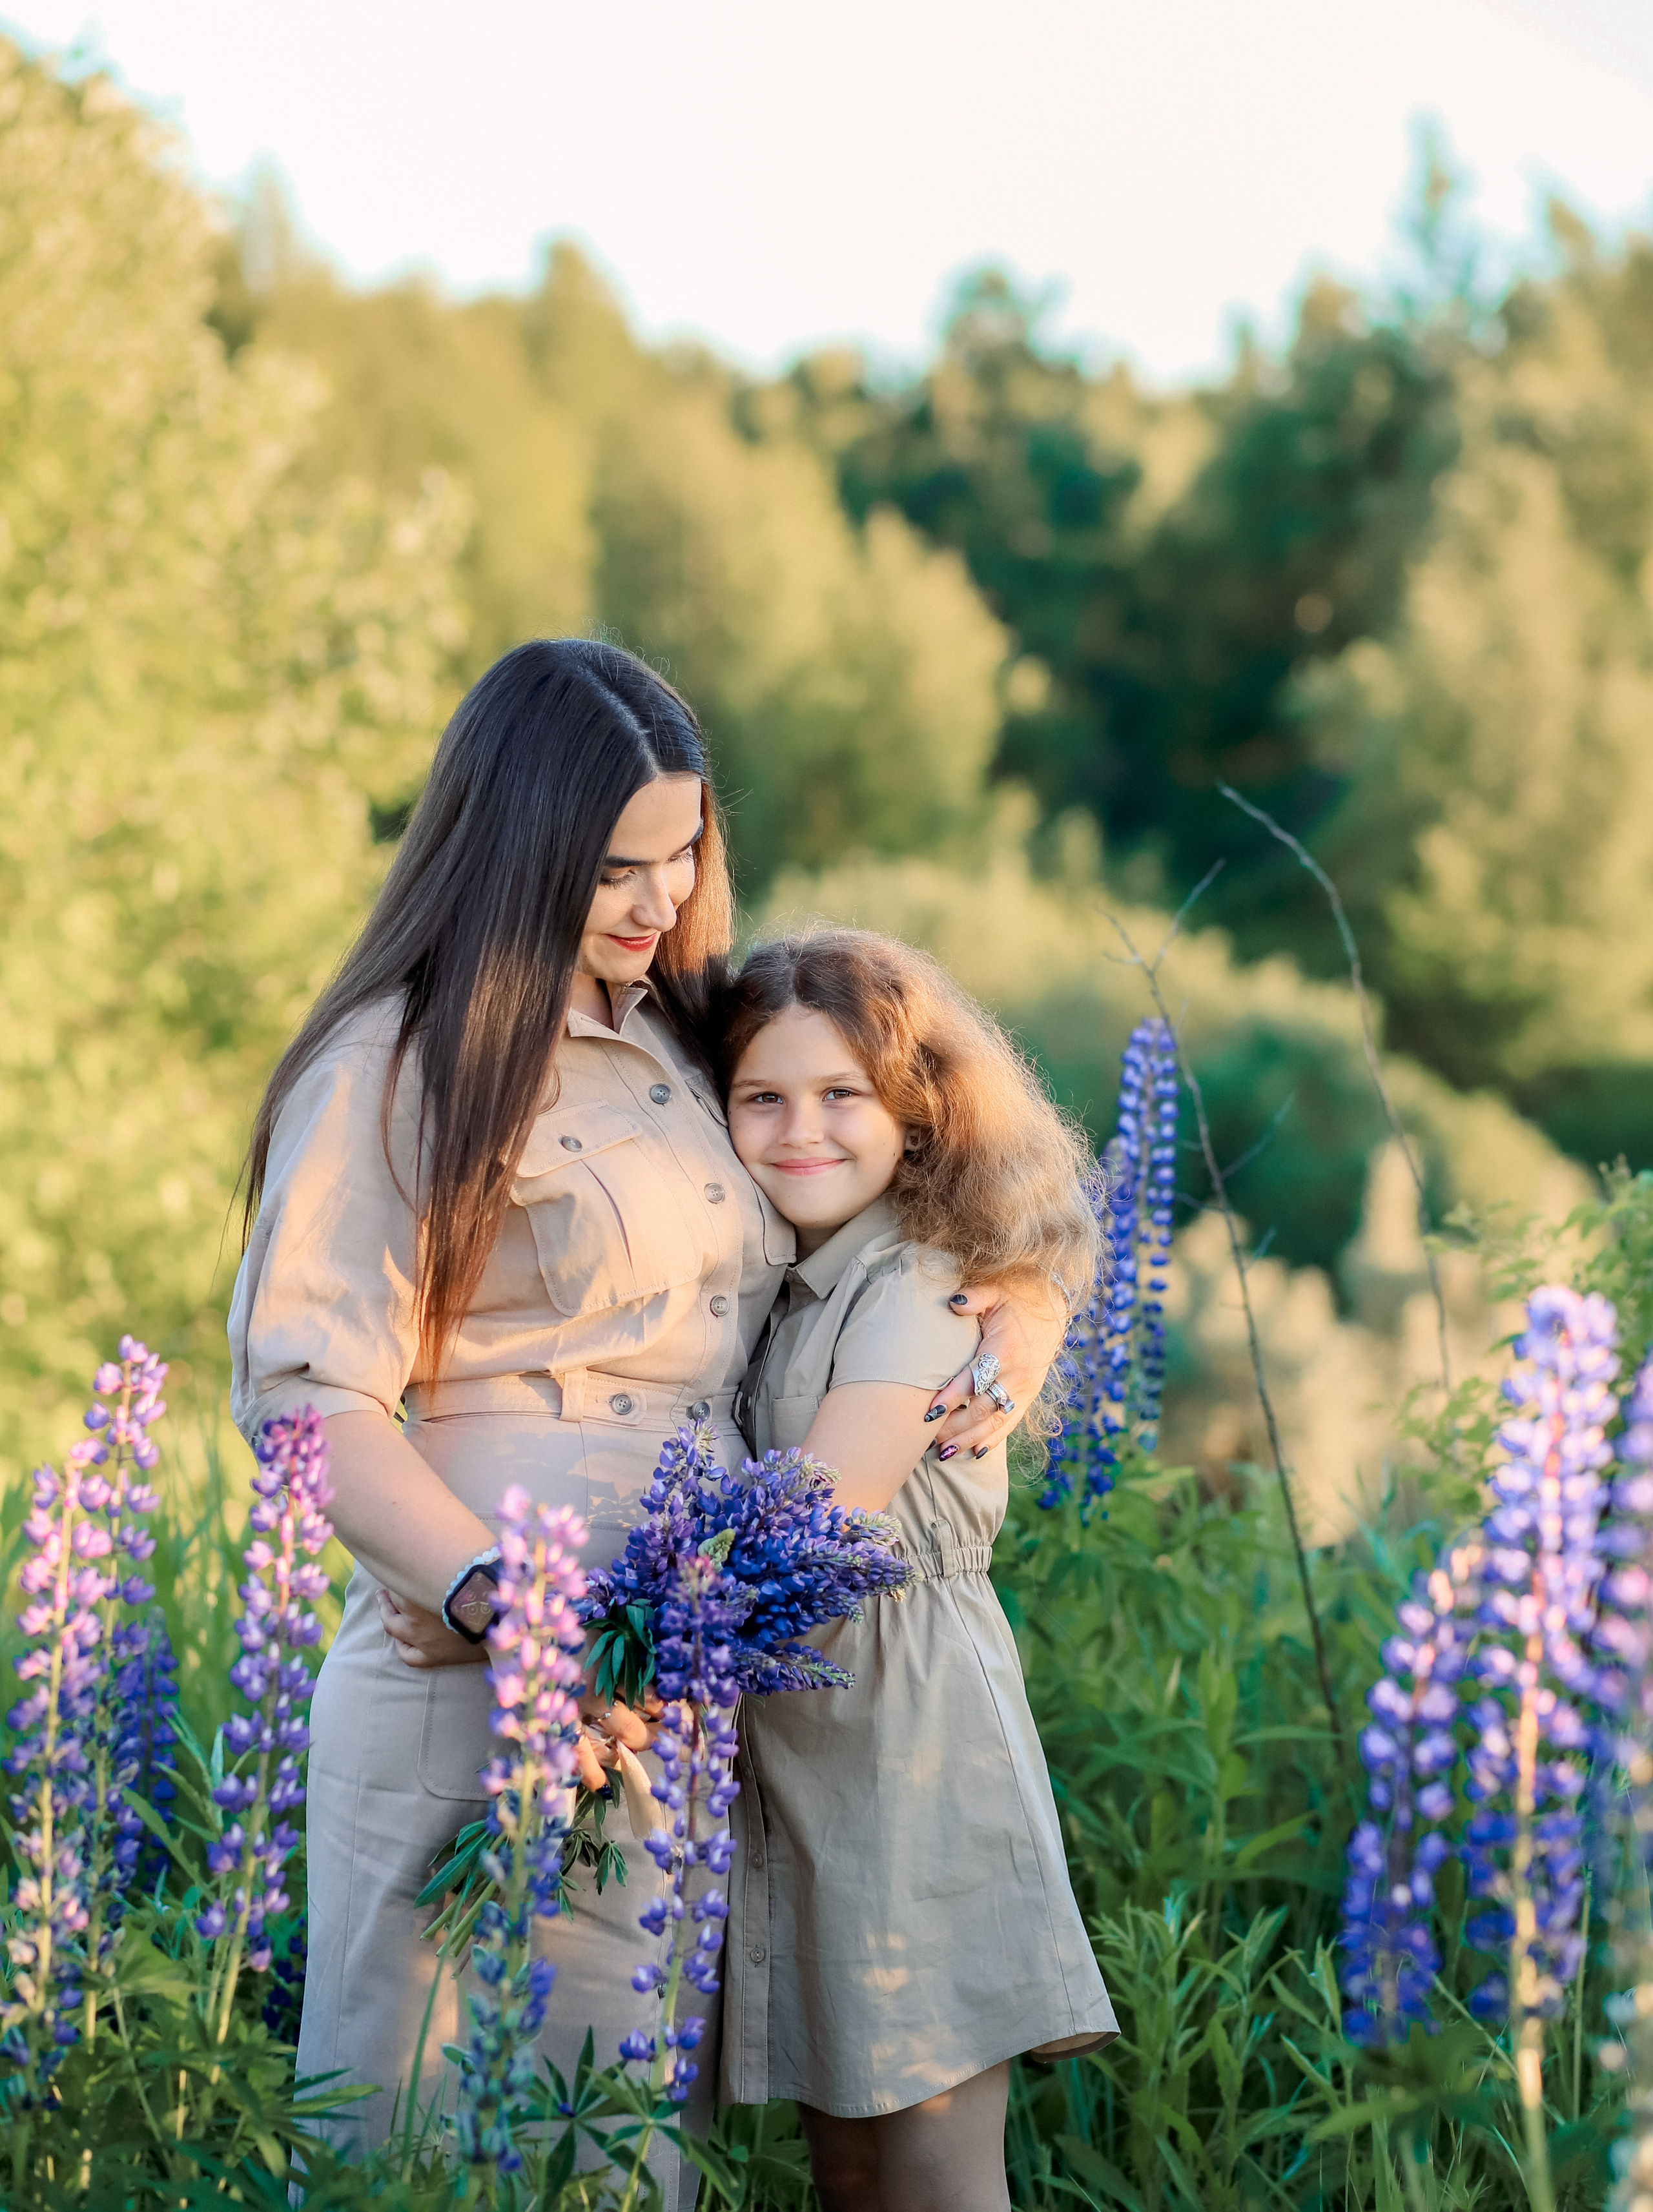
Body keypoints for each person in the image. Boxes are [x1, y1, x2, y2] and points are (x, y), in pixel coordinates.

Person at [227, 639, 1060, 2199]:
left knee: (607, 2162)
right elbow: (303, 1397)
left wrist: (1017, 1297)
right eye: (617, 867)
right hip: (477, 1684)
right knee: (427, 2156)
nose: (662, 900)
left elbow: (909, 1147)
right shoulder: (397, 1064)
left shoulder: (688, 1045)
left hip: (671, 1694)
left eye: (684, 856)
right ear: (513, 846)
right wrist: (498, 1598)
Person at [714, 928, 1118, 2212]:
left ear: (915, 1109)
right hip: (803, 1743)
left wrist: (591, 1640)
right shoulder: (779, 1280)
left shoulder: (917, 1283)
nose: (800, 1133)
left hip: (908, 1740)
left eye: (843, 1097)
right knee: (846, 2158)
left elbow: (819, 1513)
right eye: (759, 1098)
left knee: (933, 2164)